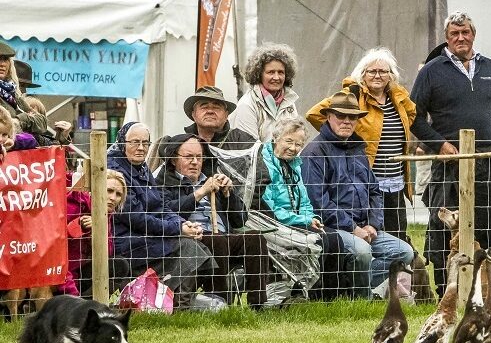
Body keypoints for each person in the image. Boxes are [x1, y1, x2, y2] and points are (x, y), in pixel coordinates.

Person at [410, 11, 491, 295]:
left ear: (473, 34)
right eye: (454, 34)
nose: (461, 38)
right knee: (444, 226)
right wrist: (439, 144)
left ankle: (483, 291)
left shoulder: (490, 68)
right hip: (449, 162)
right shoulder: (431, 71)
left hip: (486, 159)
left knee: (485, 225)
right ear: (447, 38)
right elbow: (414, 117)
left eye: (465, 32)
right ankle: (448, 290)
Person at [301, 91, 414, 299]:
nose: (346, 121)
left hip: (365, 226)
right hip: (330, 228)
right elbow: (318, 202)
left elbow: (374, 190)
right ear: (328, 117)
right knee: (362, 251)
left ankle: (352, 289)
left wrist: (372, 224)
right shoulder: (314, 152)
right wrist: (352, 228)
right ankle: (362, 301)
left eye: (352, 117)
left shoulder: (358, 149)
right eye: (341, 116)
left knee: (404, 252)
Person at [306, 47, 417, 243]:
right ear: (362, 74)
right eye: (371, 71)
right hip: (366, 175)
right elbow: (315, 114)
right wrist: (344, 139)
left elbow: (412, 115)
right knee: (369, 239)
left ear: (391, 75)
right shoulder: (353, 95)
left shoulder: (398, 99)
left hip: (395, 179)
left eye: (383, 71)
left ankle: (395, 273)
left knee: (397, 236)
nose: (377, 75)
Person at [107, 122, 215, 310]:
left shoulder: (141, 168)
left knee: (192, 245)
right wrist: (177, 229)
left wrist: (182, 223)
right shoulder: (115, 170)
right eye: (135, 142)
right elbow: (135, 217)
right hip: (125, 239)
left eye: (145, 143)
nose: (141, 148)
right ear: (122, 142)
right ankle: (180, 306)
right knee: (187, 247)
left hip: (145, 234)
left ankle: (178, 304)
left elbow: (160, 207)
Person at [156, 134, 270, 309]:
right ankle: (220, 303)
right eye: (188, 157)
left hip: (222, 236)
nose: (195, 162)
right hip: (192, 239)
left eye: (199, 157)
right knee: (217, 240)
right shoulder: (164, 182)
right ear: (173, 160)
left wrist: (229, 194)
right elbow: (167, 213)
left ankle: (259, 305)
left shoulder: (212, 178)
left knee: (255, 238)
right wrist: (200, 192)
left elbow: (240, 220)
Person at [252, 118, 348, 300]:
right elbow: (269, 207)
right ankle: (313, 294)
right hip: (275, 223)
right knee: (319, 242)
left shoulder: (295, 164)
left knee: (335, 239)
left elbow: (304, 200)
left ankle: (332, 298)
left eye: (299, 144)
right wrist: (303, 220)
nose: (293, 148)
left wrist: (311, 217)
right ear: (276, 138)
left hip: (297, 220)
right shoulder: (264, 164)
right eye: (289, 141)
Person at [61, 169, 131, 297]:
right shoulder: (74, 204)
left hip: (80, 273)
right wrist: (80, 226)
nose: (113, 198)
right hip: (63, 275)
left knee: (119, 265)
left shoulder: (106, 214)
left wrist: (96, 231)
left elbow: (107, 252)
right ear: (96, 188)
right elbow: (58, 248)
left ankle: (91, 305)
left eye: (118, 194)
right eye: (109, 191)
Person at [229, 43, 299, 144]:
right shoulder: (247, 104)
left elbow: (296, 139)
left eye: (280, 72)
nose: (276, 77)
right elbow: (250, 150)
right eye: (270, 72)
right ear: (258, 74)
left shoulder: (289, 101)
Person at [0, 42, 47, 139]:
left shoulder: (11, 93)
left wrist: (18, 121)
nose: (2, 64)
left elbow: (42, 122)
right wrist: (25, 119)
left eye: (5, 59)